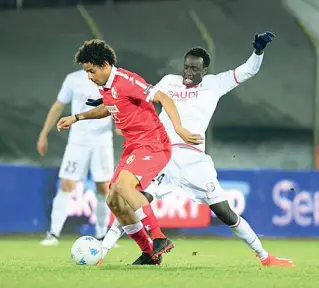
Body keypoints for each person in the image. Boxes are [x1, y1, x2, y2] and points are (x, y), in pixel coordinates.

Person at [99, 32, 294, 267]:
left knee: (224, 212)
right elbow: (139, 99)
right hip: (163, 153)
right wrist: (108, 106)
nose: (188, 73)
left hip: (195, 159)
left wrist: (258, 52)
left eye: (194, 69)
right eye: (186, 68)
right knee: (131, 198)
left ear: (205, 71)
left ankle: (265, 256)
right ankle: (104, 251)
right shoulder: (168, 82)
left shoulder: (215, 84)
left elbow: (247, 71)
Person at [56, 39, 202, 264]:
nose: (89, 76)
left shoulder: (126, 80)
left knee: (124, 187)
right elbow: (109, 107)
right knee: (114, 201)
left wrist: (180, 129)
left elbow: (163, 97)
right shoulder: (106, 87)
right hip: (133, 146)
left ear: (104, 64)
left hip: (153, 144)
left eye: (91, 71)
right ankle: (149, 253)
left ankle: (159, 238)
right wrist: (77, 117)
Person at [37, 70, 114, 246]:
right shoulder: (73, 78)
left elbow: (117, 104)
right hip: (78, 141)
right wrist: (44, 133)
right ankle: (53, 234)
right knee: (66, 184)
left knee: (104, 188)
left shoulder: (111, 78)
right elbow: (58, 105)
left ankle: (102, 235)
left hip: (102, 141)